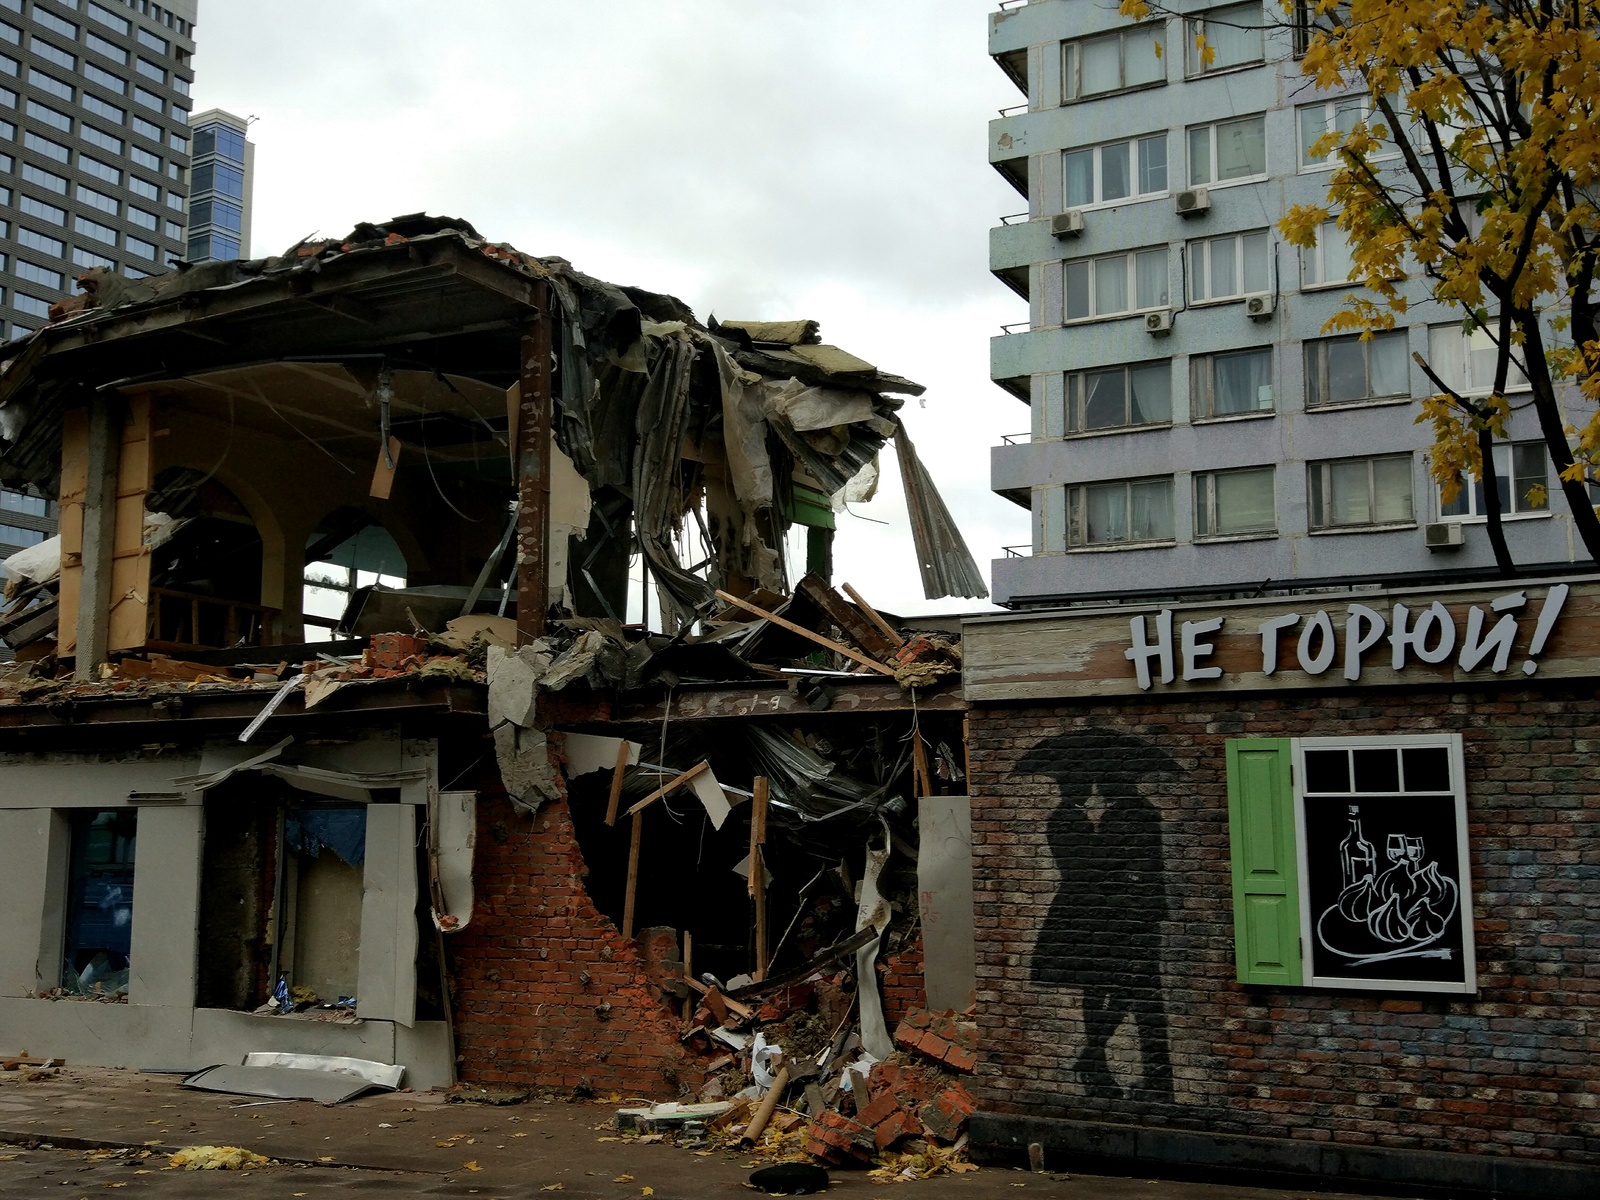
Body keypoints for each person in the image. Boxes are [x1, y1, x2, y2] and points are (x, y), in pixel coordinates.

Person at [1018, 729, 1178, 1104]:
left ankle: (1097, 1054)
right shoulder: (1074, 819)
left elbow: (1128, 866)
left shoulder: (1127, 815)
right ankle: (1104, 1059)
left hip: (1126, 911)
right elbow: (1090, 865)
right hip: (1103, 908)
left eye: (1101, 780)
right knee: (1108, 983)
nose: (1094, 789)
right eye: (1086, 782)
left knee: (1124, 986)